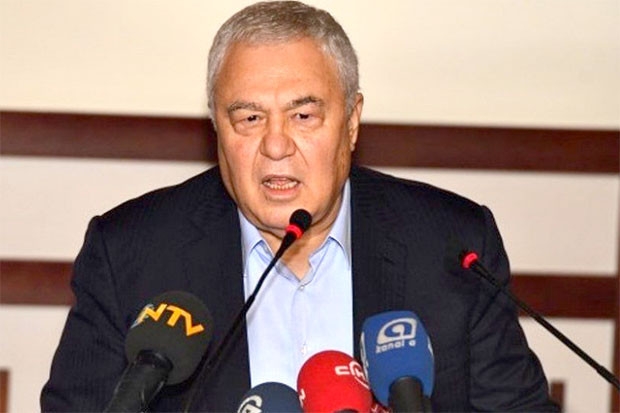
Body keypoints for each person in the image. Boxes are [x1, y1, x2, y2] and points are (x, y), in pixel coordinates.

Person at [41, 1, 558, 411]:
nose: (275, 145)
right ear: (216, 127)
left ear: (351, 122)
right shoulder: (129, 253)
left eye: (303, 116)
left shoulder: (451, 246)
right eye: (249, 118)